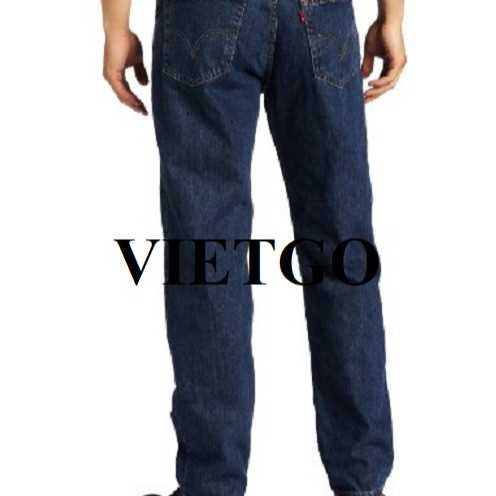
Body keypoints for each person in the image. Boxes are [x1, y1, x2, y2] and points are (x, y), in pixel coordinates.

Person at [101, 0, 406, 495]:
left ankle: (211, 485)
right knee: (341, 251)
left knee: (207, 256)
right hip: (319, 17)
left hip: (203, 17)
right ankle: (362, 482)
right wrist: (392, 17)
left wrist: (116, 27)